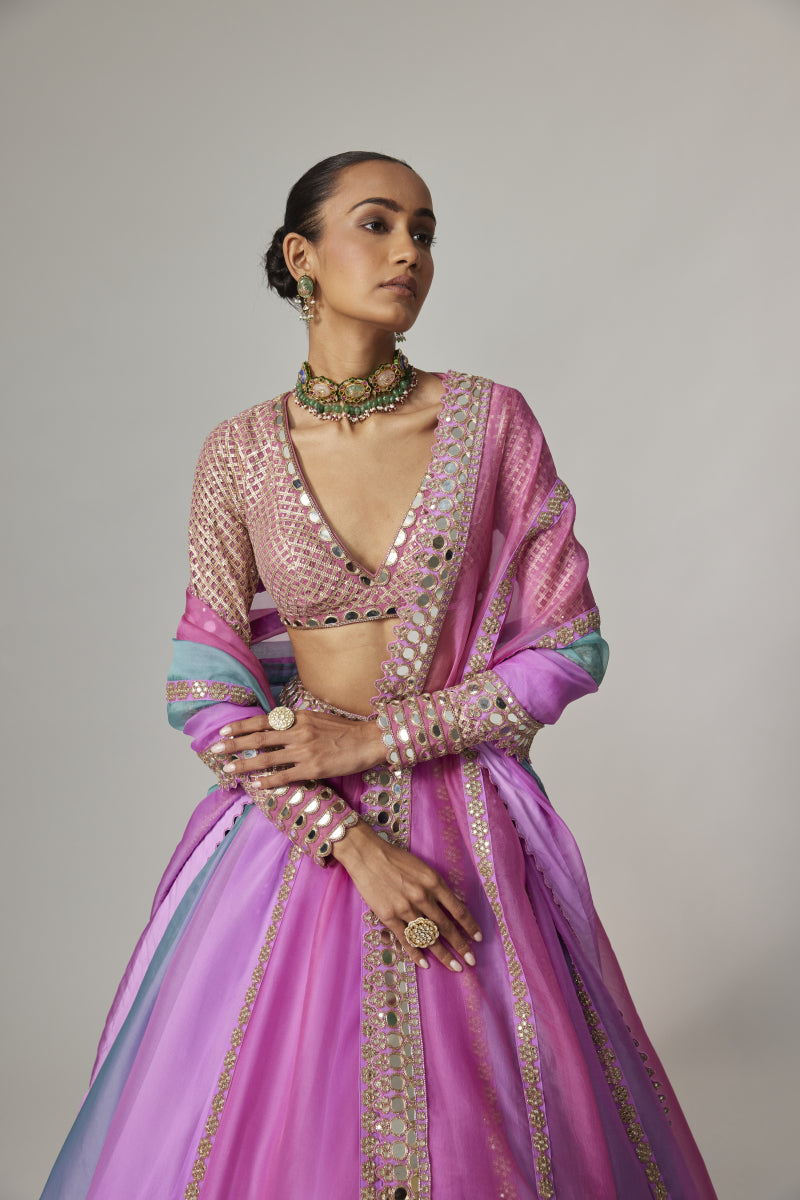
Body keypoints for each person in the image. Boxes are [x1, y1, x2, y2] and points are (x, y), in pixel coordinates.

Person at [41, 151, 717, 1200]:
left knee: (492, 1122)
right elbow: (205, 689)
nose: (410, 251)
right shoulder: (237, 454)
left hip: (470, 820)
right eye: (378, 223)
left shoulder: (491, 424)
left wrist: (378, 739)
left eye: (424, 231)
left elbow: (568, 644)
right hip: (293, 828)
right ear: (301, 256)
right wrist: (349, 840)